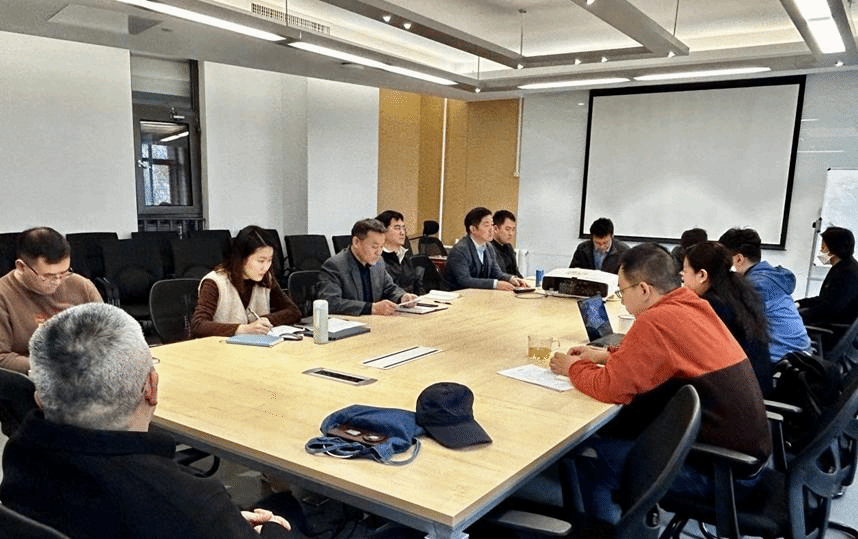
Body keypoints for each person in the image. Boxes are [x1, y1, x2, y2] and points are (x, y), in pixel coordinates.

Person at [0, 303, 291, 538]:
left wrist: (223, 522)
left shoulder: (20, 452)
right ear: (151, 387)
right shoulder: (190, 502)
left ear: (40, 397)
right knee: (290, 510)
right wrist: (267, 529)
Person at [549, 243, 770, 525]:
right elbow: (663, 356)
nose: (622, 300)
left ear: (644, 289)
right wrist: (605, 355)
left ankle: (606, 532)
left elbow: (610, 387)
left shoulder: (655, 320)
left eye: (622, 291)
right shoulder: (692, 304)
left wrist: (573, 367)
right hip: (747, 462)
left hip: (722, 473)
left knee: (590, 461)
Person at [0, 227, 102, 374]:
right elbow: (2, 357)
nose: (57, 282)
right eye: (48, 276)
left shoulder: (81, 286)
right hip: (32, 378)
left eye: (64, 272)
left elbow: (109, 335)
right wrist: (54, 365)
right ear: (21, 267)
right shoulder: (3, 295)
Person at [682, 241, 772, 396]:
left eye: (685, 271)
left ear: (702, 275)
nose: (683, 278)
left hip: (739, 397)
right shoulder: (738, 294)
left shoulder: (710, 307)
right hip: (756, 388)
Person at [718, 227, 812, 362]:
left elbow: (735, 325)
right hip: (801, 352)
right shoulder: (772, 276)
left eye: (725, 260)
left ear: (738, 259)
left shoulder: (755, 285)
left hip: (782, 359)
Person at [191, 225, 301, 337]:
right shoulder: (215, 282)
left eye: (269, 260)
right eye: (261, 261)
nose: (266, 267)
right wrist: (244, 329)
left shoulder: (265, 278)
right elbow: (198, 325)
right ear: (242, 258)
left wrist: (265, 320)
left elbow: (293, 311)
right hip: (220, 346)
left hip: (255, 345)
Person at [318, 218, 417, 315]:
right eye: (374, 247)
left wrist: (402, 297)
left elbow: (389, 288)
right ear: (356, 242)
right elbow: (330, 302)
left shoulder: (379, 262)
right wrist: (371, 308)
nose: (379, 252)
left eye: (381, 247)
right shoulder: (334, 265)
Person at [444, 207, 528, 291]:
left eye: (492, 224)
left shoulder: (489, 248)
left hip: (478, 294)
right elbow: (464, 280)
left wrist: (511, 279)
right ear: (473, 229)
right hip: (458, 295)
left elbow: (496, 273)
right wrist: (495, 284)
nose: (491, 229)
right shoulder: (460, 250)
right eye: (487, 225)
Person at [797, 226, 858, 342]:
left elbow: (829, 309)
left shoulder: (848, 273)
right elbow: (825, 299)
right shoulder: (843, 267)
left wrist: (797, 317)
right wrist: (800, 303)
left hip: (832, 332)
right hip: (831, 325)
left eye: (823, 247)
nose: (821, 251)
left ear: (834, 248)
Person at [376, 210, 423, 294]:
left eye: (404, 228)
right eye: (397, 228)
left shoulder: (404, 257)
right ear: (383, 231)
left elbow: (417, 286)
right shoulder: (377, 258)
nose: (402, 232)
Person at [490, 209, 523, 278]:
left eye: (513, 229)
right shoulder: (489, 248)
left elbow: (515, 272)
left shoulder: (508, 247)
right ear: (495, 229)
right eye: (507, 229)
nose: (511, 234)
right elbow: (498, 275)